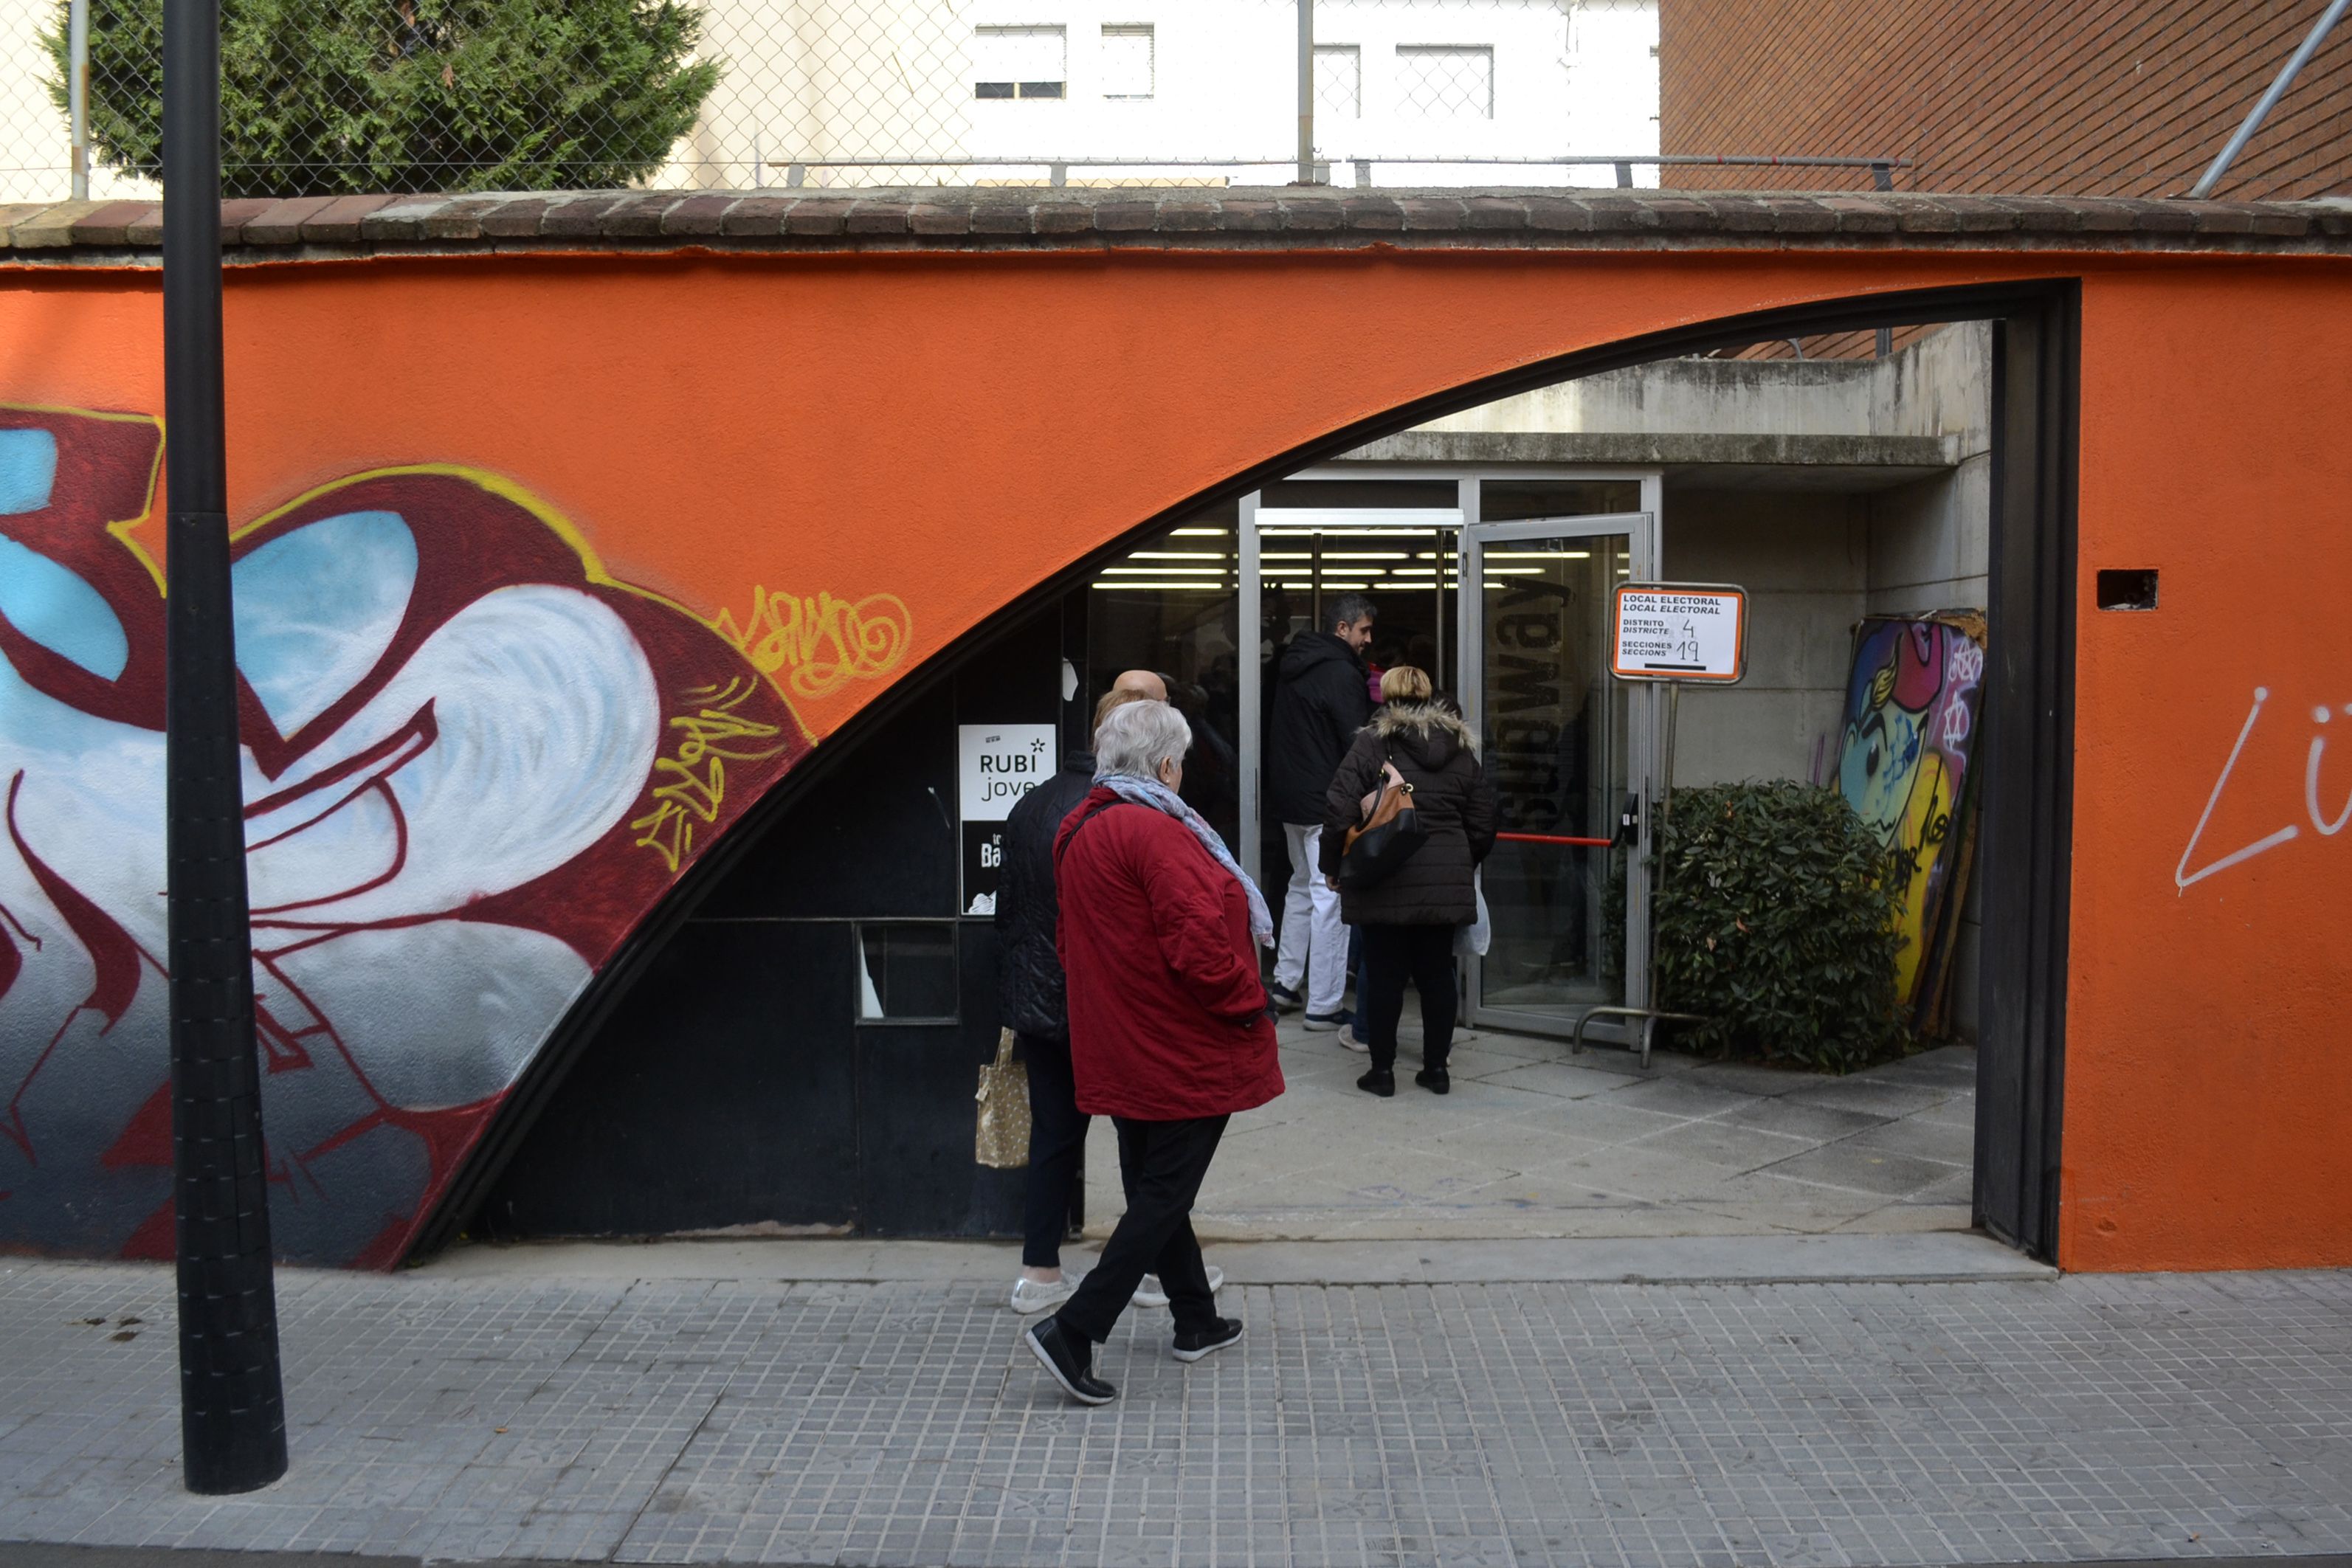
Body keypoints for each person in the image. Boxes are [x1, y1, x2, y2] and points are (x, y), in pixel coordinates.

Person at [1025, 700, 1282, 1406]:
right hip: (1183, 1044)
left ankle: (1195, 1318)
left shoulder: (1086, 828)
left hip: (1124, 1038)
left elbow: (1070, 943)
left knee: (1152, 1186)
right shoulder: (1157, 832)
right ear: (1166, 764)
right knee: (1164, 1193)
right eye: (1182, 763)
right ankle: (1075, 1330)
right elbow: (1198, 943)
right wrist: (1250, 1002)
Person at [995, 671, 1165, 1315]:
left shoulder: (1033, 803)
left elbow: (1005, 910)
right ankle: (1149, 1272)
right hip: (1114, 1005)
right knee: (1145, 1142)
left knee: (1055, 1137)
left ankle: (1038, 1272)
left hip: (1042, 1002)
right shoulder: (1132, 813)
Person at [1319, 666, 1497, 1098]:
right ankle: (1436, 1069)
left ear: (1387, 697)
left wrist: (1333, 865)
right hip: (1444, 881)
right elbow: (1484, 818)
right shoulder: (1459, 748)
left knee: (1383, 976)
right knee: (1437, 975)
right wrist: (1458, 862)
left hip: (1383, 875)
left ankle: (1382, 1072)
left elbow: (1339, 808)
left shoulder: (1372, 744)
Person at [1264, 593, 1376, 1033]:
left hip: (1292, 796)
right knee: (1332, 894)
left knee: (1301, 887)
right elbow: (1358, 741)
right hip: (1326, 798)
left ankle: (1286, 984)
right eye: (1364, 630)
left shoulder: (1293, 667)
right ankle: (1325, 1004)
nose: (1368, 639)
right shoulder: (1340, 673)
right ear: (1342, 629)